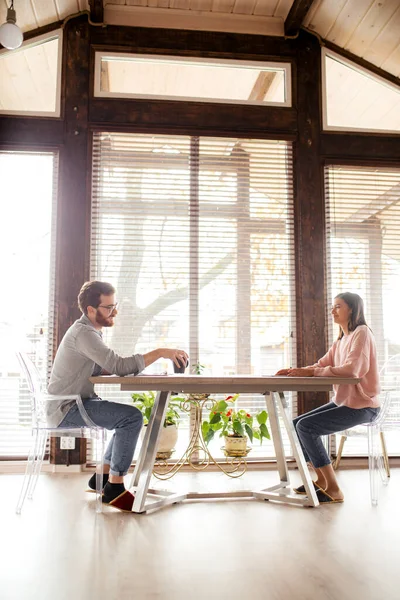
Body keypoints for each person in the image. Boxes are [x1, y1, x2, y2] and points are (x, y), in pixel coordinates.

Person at [47, 280, 188, 511]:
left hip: (75, 403)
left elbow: (107, 367)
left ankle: (101, 479)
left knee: (125, 418)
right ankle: (114, 487)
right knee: (131, 418)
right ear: (91, 310)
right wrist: (162, 352)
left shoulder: (86, 331)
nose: (115, 311)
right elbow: (119, 366)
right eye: (109, 307)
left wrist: (134, 365)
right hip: (68, 409)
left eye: (115, 305)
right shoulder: (84, 333)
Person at [276, 292, 380, 504]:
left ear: (352, 309)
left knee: (306, 427)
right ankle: (321, 480)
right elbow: (321, 365)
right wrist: (296, 370)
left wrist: (311, 373)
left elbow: (353, 370)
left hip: (364, 406)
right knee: (297, 424)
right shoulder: (342, 339)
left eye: (338, 306)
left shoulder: (362, 333)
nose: (332, 311)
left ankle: (334, 489)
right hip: (345, 402)